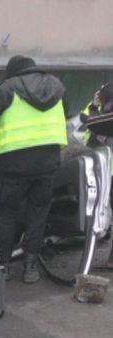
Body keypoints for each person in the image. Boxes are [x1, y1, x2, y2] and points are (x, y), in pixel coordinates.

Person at [0, 56, 67, 283]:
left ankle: (4, 265)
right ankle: (30, 267)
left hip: (15, 165)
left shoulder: (10, 88)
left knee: (7, 213)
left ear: (13, 73)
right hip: (48, 162)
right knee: (37, 214)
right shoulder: (55, 87)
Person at [81, 83, 113, 268]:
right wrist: (94, 106)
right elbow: (85, 119)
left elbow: (94, 124)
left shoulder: (105, 118)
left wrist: (94, 109)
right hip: (102, 169)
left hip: (107, 171)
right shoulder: (99, 109)